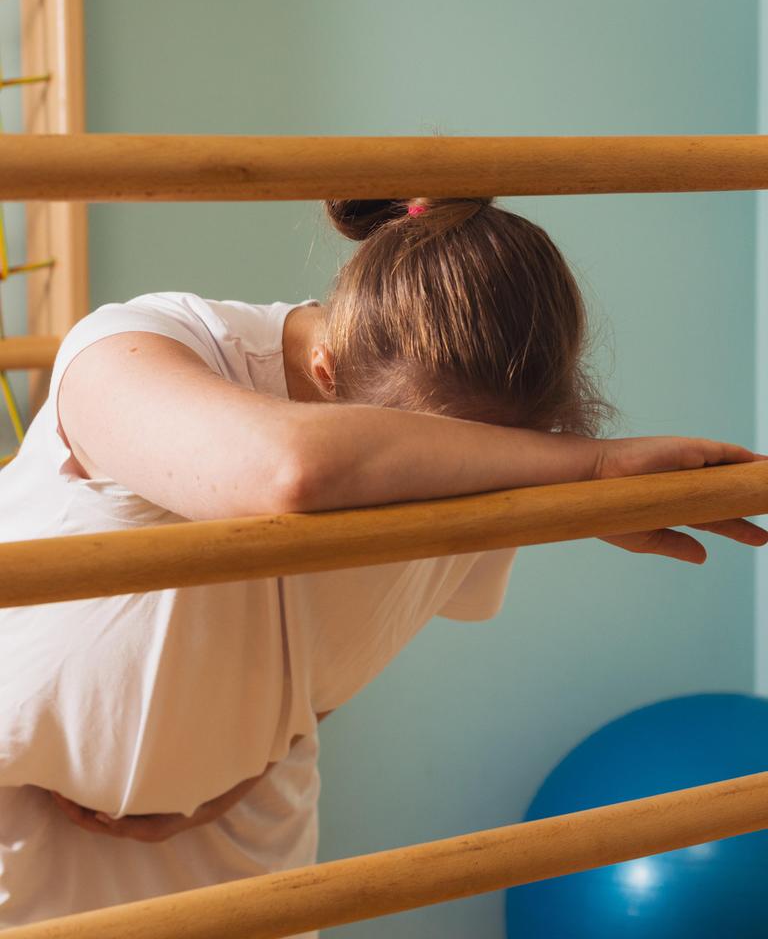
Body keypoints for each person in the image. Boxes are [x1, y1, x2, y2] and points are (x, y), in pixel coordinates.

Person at [0, 197, 763, 936]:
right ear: (327, 370)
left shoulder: (510, 452)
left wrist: (238, 771)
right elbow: (290, 476)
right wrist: (590, 470)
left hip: (235, 820)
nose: (475, 464)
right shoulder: (144, 342)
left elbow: (341, 640)